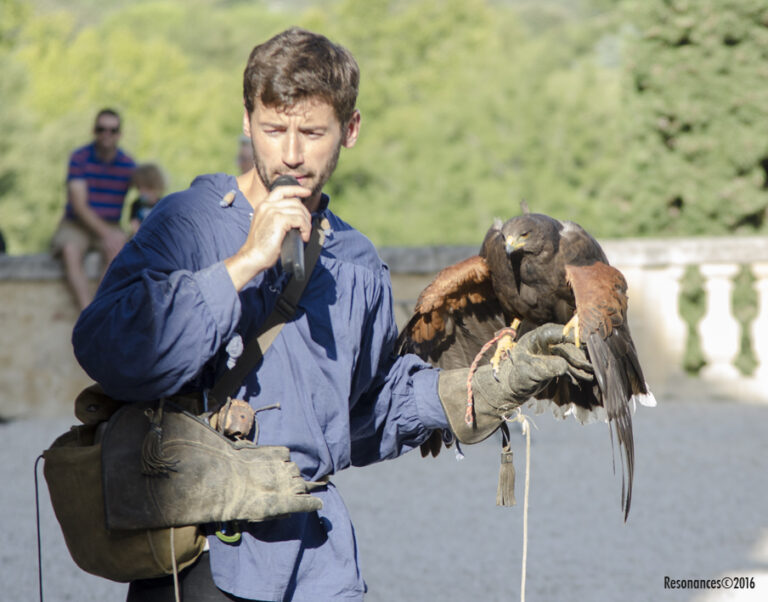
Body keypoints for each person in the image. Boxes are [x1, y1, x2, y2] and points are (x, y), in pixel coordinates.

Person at [72, 28, 589, 602]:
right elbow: (106, 349)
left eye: (312, 132)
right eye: (273, 129)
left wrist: (483, 390)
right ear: (247, 122)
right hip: (203, 555)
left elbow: (369, 411)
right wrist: (243, 264)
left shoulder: (358, 262)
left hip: (318, 562)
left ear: (351, 129)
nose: (290, 153)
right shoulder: (186, 224)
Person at [51, 108, 135, 310]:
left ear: (119, 134)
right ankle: (87, 311)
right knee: (70, 250)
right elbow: (79, 205)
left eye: (112, 130)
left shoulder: (128, 164)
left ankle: (100, 309)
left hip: (111, 222)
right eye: (101, 129)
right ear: (94, 131)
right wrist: (107, 234)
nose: (107, 134)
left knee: (118, 250)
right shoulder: (79, 158)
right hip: (77, 223)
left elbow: (148, 192)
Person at [128, 163, 166, 235]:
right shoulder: (137, 204)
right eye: (139, 187)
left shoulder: (163, 204)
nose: (142, 191)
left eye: (147, 188)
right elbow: (134, 224)